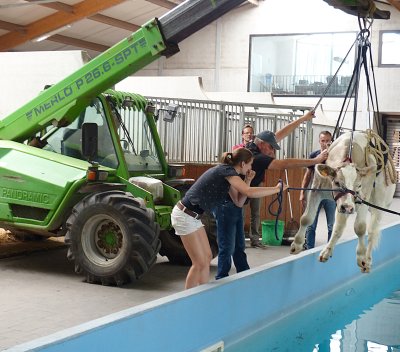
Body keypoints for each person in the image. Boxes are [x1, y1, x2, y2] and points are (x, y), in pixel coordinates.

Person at [171, 147, 287, 289]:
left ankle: (202, 292)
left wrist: (248, 180)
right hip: (184, 215)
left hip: (194, 217)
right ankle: (187, 299)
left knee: (207, 257)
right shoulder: (226, 171)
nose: (251, 167)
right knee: (199, 262)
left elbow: (239, 202)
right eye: (250, 164)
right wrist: (276, 189)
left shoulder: (230, 176)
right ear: (243, 164)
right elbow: (248, 192)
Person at [245, 110, 329, 248]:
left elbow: (281, 134)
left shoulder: (258, 144)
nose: (272, 151)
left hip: (248, 188)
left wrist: (303, 118)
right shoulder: (256, 156)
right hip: (237, 194)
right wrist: (315, 160)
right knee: (233, 230)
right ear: (262, 144)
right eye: (271, 147)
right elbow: (283, 163)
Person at [299, 130, 336, 249]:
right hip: (315, 192)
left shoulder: (336, 156)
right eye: (322, 141)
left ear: (331, 141)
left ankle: (330, 248)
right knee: (311, 224)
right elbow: (308, 174)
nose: (325, 143)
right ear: (319, 141)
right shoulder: (314, 155)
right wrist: (302, 192)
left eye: (327, 141)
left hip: (331, 193)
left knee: (331, 225)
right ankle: (309, 248)